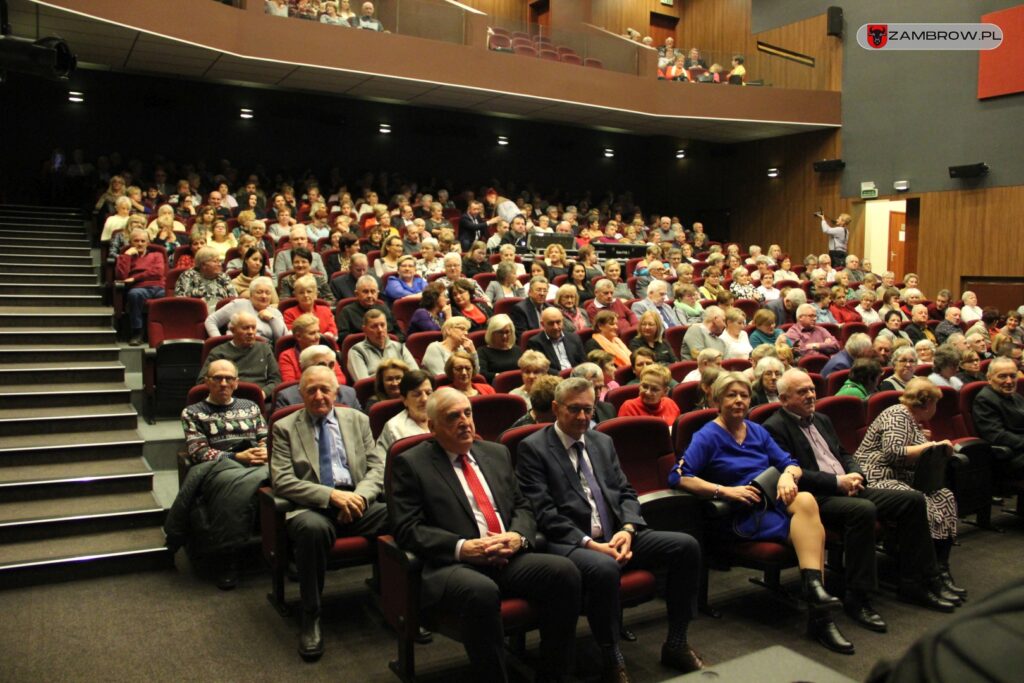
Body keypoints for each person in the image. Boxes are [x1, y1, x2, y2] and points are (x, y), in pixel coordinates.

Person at [387, 388, 581, 681]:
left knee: (565, 572)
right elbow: (407, 528)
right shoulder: (412, 464)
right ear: (432, 426)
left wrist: (518, 537)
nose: (465, 422)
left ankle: (554, 673)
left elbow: (522, 505)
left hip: (507, 555)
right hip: (453, 565)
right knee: (481, 592)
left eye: (468, 413)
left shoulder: (496, 453)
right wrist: (463, 547)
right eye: (453, 416)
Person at [516, 378, 704, 680]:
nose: (581, 417)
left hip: (618, 534)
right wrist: (591, 544)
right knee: (604, 568)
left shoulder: (601, 441)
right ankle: (611, 654)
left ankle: (677, 642)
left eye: (587, 410)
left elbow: (626, 492)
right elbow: (542, 511)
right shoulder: (533, 448)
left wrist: (628, 529)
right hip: (571, 543)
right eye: (574, 409)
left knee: (686, 546)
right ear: (555, 408)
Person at [764, 369, 960, 632]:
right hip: (815, 498)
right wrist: (837, 482)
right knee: (863, 510)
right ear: (784, 398)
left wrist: (855, 472)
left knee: (913, 500)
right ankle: (858, 597)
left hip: (848, 486)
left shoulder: (821, 419)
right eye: (802, 392)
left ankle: (918, 581)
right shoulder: (774, 427)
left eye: (811, 389)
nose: (811, 395)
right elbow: (790, 472)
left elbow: (844, 454)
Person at [671, 372, 850, 653]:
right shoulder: (707, 436)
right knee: (811, 536)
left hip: (773, 499)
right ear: (716, 400)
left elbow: (790, 462)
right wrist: (725, 491)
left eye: (743, 395)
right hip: (743, 512)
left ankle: (815, 592)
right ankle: (821, 617)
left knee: (805, 500)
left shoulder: (757, 430)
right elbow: (680, 477)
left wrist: (788, 476)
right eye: (731, 395)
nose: (739, 401)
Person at [270, 365, 385, 660]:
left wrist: (357, 497)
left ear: (336, 391)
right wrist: (332, 497)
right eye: (311, 390)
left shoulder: (358, 420)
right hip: (313, 508)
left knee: (403, 516)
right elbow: (282, 480)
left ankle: (399, 603)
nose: (319, 396)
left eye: (325, 389)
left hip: (358, 502)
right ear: (301, 393)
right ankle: (311, 613)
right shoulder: (285, 427)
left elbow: (377, 468)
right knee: (312, 530)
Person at [856, 378, 965, 600]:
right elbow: (894, 452)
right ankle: (925, 576)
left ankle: (941, 570)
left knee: (944, 496)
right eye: (935, 404)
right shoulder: (898, 414)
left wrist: (926, 442)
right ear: (927, 403)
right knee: (922, 502)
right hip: (877, 477)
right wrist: (933, 446)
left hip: (901, 478)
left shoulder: (913, 421)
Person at [172, 359, 269, 590]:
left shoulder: (251, 406)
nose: (223, 383)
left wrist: (264, 451)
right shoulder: (192, 412)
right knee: (232, 490)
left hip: (257, 461)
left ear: (236, 383)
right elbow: (199, 452)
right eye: (217, 378)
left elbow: (265, 437)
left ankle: (285, 551)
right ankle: (228, 559)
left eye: (229, 379)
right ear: (207, 382)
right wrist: (237, 458)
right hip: (220, 466)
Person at [198, 311, 281, 398]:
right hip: (227, 399)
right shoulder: (218, 352)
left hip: (259, 398)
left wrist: (263, 393)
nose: (251, 332)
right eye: (245, 328)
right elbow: (202, 382)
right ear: (233, 330)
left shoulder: (264, 348)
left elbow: (276, 380)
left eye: (253, 328)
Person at [971, 358, 1024, 481]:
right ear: (989, 378)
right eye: (1002, 376)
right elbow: (997, 436)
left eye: (1013, 376)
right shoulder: (985, 399)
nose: (1009, 381)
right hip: (1011, 455)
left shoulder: (1016, 396)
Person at [115, 228, 166, 346]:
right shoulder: (126, 256)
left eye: (143, 241)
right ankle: (137, 333)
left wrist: (135, 278)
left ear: (148, 242)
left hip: (158, 286)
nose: (140, 244)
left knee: (170, 297)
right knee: (134, 294)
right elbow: (121, 275)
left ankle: (164, 332)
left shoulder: (157, 255)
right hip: (139, 288)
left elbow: (158, 272)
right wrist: (126, 256)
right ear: (130, 243)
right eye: (136, 241)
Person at [273, 345, 360, 411]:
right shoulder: (287, 398)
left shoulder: (349, 394)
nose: (327, 370)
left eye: (331, 365)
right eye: (321, 365)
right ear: (304, 369)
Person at [373, 370, 435, 461]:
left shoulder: (444, 418)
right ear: (404, 400)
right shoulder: (393, 428)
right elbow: (382, 465)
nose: (425, 399)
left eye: (429, 393)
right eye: (417, 394)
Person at [205, 276, 285, 343]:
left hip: (261, 353)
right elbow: (211, 320)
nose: (264, 296)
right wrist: (219, 342)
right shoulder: (238, 304)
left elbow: (281, 339)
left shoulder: (275, 313)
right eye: (259, 292)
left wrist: (272, 319)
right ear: (251, 294)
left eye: (268, 293)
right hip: (235, 349)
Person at [346, 309, 418, 381]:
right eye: (374, 326)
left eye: (382, 325)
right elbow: (363, 384)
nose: (380, 330)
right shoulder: (357, 351)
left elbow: (416, 375)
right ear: (364, 329)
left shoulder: (399, 347)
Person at [335, 275, 401, 340]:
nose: (370, 295)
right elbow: (343, 339)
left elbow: (399, 334)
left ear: (377, 293)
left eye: (373, 292)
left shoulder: (384, 308)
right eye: (365, 292)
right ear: (357, 294)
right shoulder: (347, 312)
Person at [527, 308, 585, 374]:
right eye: (551, 323)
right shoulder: (535, 343)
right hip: (554, 380)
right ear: (543, 324)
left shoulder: (574, 338)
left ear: (563, 321)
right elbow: (542, 368)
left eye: (558, 322)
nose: (556, 327)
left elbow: (583, 361)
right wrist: (563, 375)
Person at [283, 274, 338, 339]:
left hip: (326, 344)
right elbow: (292, 336)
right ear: (296, 296)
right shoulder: (289, 313)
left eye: (309, 291)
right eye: (301, 292)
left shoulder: (325, 310)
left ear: (316, 295)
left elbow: (333, 331)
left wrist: (322, 339)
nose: (306, 295)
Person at [476, 314, 522, 382]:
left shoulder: (517, 350)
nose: (504, 336)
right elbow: (482, 374)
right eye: (500, 332)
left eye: (507, 332)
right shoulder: (483, 352)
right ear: (492, 333)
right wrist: (500, 376)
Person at [511, 276, 552, 341]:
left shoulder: (550, 308)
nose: (542, 293)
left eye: (545, 291)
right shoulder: (520, 309)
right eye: (538, 290)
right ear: (529, 292)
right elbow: (522, 337)